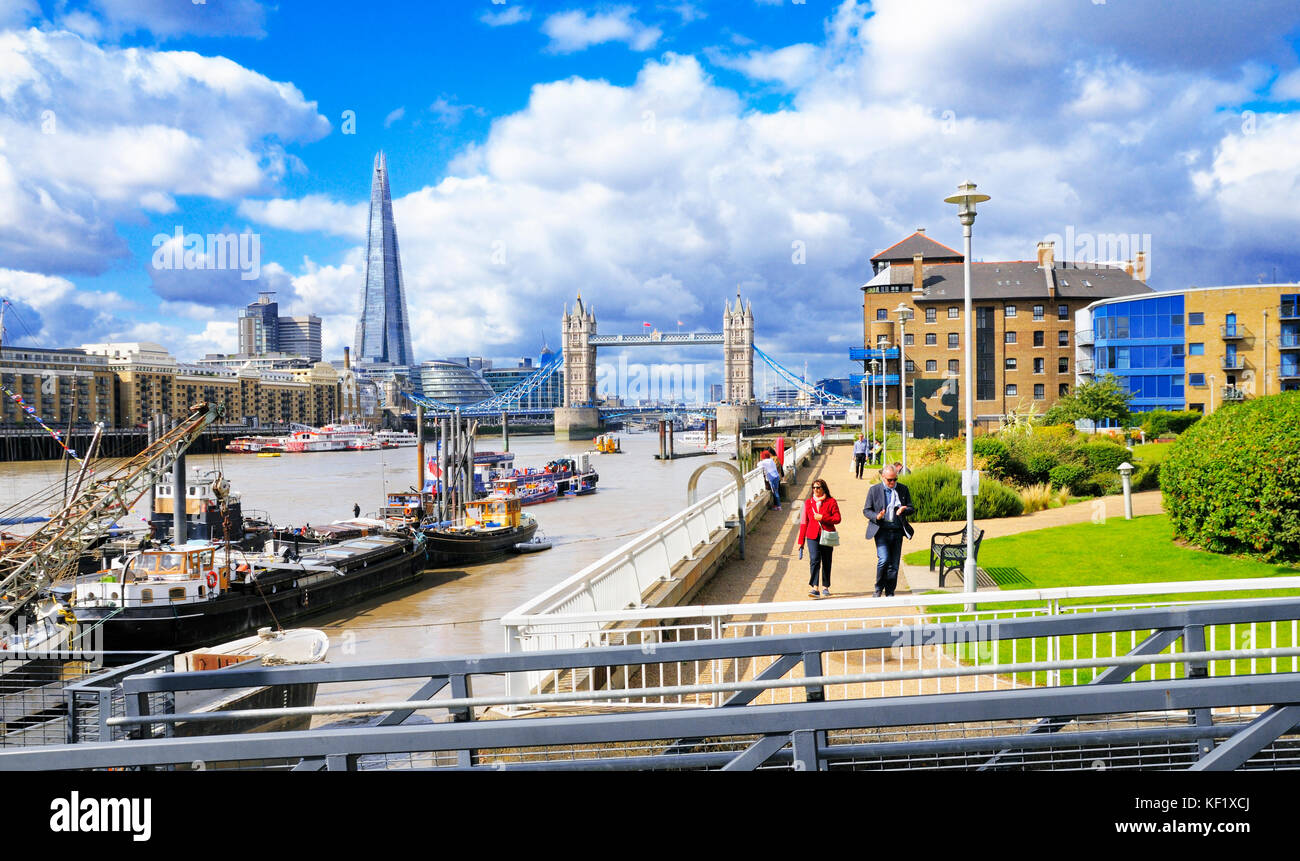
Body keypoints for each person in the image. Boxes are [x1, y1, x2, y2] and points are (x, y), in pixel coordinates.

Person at [864, 465, 914, 597]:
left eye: (895, 479)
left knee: (894, 564)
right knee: (884, 560)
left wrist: (904, 509)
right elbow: (866, 510)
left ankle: (890, 591)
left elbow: (911, 507)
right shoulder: (874, 490)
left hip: (897, 531)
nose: (892, 483)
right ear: (883, 477)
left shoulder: (903, 489)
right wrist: (877, 516)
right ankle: (879, 588)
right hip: (881, 531)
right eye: (889, 480)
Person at [797, 478, 841, 598]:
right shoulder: (808, 503)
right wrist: (801, 541)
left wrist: (823, 517)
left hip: (827, 534)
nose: (816, 490)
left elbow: (837, 519)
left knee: (827, 560)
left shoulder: (831, 501)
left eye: (818, 487)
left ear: (823, 489)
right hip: (812, 535)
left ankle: (825, 586)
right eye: (814, 487)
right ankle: (814, 587)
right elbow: (804, 522)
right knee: (815, 559)